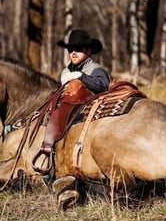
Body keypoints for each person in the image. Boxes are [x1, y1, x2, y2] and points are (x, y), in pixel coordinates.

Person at [32, 29, 110, 173]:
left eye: (78, 49)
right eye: (70, 49)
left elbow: (103, 86)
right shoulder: (65, 71)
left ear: (88, 50)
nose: (73, 52)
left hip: (86, 115)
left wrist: (81, 76)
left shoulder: (96, 70)